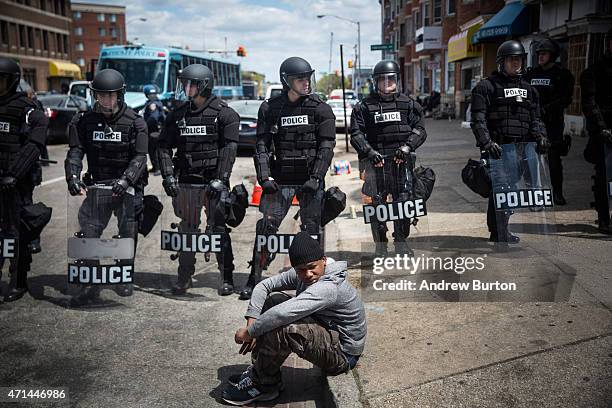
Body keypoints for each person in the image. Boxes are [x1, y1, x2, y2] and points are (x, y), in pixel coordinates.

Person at [222, 232, 366, 406]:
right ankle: (260, 374)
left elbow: (281, 315)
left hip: (343, 354)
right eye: (301, 270)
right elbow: (264, 285)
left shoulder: (329, 286)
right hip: (328, 334)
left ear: (324, 260)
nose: (308, 274)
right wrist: (252, 321)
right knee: (273, 301)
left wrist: (249, 332)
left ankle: (264, 385)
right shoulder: (302, 272)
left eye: (312, 267)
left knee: (285, 327)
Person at [241, 57, 336, 300]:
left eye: (308, 78)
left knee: (312, 232)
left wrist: (316, 177)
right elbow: (261, 146)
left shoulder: (320, 108)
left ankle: (315, 281)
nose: (306, 83)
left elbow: (327, 146)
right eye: (301, 79)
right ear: (287, 81)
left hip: (309, 183)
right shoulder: (270, 108)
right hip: (280, 180)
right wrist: (264, 178)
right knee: (266, 228)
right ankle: (255, 276)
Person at [64, 69, 148, 305]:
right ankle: (91, 278)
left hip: (126, 188)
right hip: (97, 186)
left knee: (127, 232)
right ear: (95, 96)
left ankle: (123, 276)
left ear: (119, 95)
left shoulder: (135, 122)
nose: (106, 100)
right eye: (101, 95)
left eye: (110, 95)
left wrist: (127, 180)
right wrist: (72, 176)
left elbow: (141, 157)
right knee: (88, 232)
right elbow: (75, 151)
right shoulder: (84, 120)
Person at [157, 64, 239, 295]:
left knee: (218, 229)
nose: (185, 88)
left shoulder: (225, 113)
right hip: (185, 183)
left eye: (190, 83)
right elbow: (162, 146)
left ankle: (227, 277)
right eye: (184, 83)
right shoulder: (178, 114)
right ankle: (184, 277)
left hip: (213, 183)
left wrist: (221, 179)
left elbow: (229, 150)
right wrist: (168, 176)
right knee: (187, 230)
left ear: (203, 85)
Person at [470, 40, 549, 243]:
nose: (516, 63)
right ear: (501, 62)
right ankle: (500, 232)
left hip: (521, 150)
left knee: (510, 191)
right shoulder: (486, 87)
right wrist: (487, 143)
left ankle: (499, 230)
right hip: (497, 148)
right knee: (501, 190)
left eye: (519, 59)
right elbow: (478, 120)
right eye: (512, 60)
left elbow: (535, 120)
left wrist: (540, 137)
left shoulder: (530, 90)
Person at [350, 60, 427, 255]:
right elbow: (356, 134)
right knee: (377, 206)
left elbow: (420, 129)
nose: (386, 82)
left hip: (401, 164)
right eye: (382, 79)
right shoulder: (364, 107)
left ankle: (401, 243)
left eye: (390, 78)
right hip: (376, 165)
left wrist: (408, 147)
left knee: (403, 204)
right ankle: (380, 246)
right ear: (375, 82)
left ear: (397, 80)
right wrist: (369, 152)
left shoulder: (409, 104)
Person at [0, 58, 49, 302]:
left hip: (15, 185)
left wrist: (14, 174)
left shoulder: (26, 109)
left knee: (16, 233)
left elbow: (34, 145)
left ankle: (18, 281)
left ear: (12, 82)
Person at [525, 38, 574, 205]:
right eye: (539, 54)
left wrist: (546, 108)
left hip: (553, 122)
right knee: (532, 159)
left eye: (544, 54)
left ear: (552, 55)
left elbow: (566, 98)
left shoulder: (562, 75)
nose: (540, 56)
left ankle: (557, 193)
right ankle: (535, 193)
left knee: (553, 159)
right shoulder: (531, 74)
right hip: (533, 122)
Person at [581, 28, 612, 234]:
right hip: (605, 133)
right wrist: (602, 128)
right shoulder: (595, 71)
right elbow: (589, 103)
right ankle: (604, 219)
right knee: (603, 178)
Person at [142, 84, 165, 175]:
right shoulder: (157, 102)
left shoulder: (152, 104)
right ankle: (155, 167)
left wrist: (145, 126)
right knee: (153, 150)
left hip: (153, 131)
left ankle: (158, 169)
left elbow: (153, 118)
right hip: (157, 130)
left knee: (154, 150)